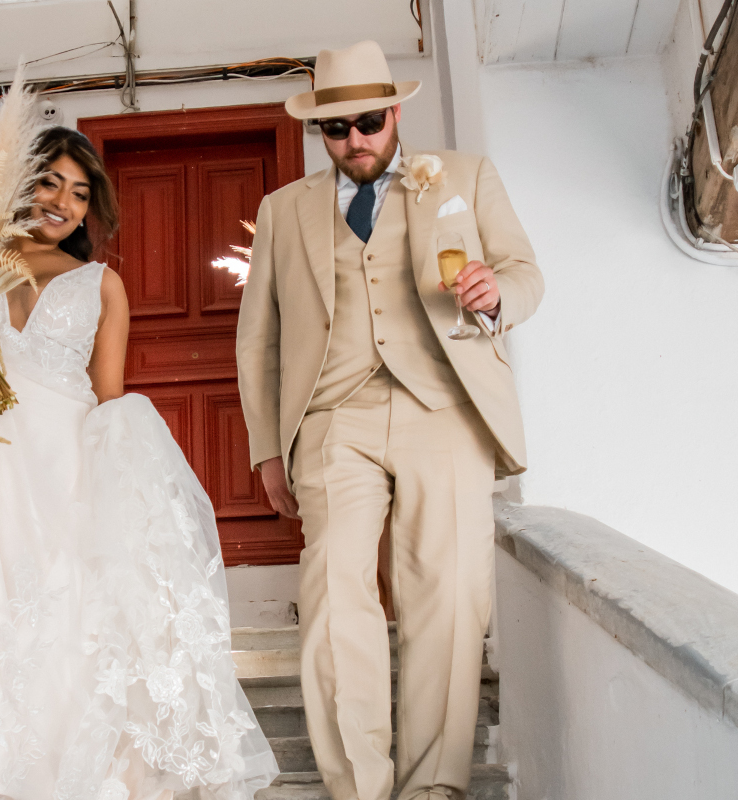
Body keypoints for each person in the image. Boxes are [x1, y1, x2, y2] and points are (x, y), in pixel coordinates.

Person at [0, 127, 278, 800]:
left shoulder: (102, 286)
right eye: (51, 181)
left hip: (65, 486)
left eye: (81, 194)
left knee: (67, 644)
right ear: (19, 183)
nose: (64, 202)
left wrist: (126, 511)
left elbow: (109, 402)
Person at [236, 41, 544, 800]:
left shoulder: (463, 178)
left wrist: (493, 293)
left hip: (444, 405)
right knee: (336, 586)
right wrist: (267, 449)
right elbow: (260, 337)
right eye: (336, 130)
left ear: (394, 113)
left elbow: (524, 273)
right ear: (320, 132)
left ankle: (433, 785)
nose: (355, 142)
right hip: (333, 416)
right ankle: (357, 788)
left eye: (368, 122)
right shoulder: (284, 211)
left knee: (447, 589)